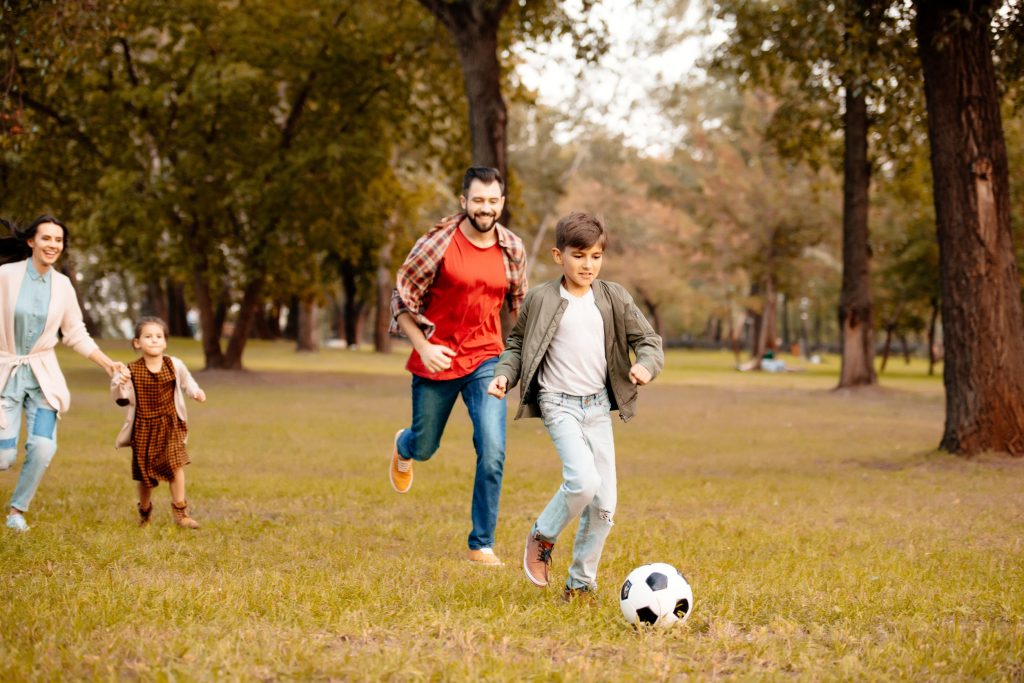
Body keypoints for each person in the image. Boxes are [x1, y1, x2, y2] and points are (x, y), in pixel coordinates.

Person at [487, 212, 664, 600]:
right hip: (557, 402)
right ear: (558, 255)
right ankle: (542, 535)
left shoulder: (614, 297)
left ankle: (580, 585)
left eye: (596, 256)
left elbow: (649, 340)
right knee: (583, 482)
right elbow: (516, 345)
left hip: (597, 407)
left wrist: (645, 366)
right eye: (579, 255)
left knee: (604, 506)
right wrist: (505, 375)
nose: (588, 265)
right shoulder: (541, 299)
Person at [388, 166, 527, 566]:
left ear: (502, 203)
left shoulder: (512, 249)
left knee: (493, 449)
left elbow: (519, 308)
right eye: (478, 200)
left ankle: (481, 543)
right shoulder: (436, 244)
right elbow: (400, 302)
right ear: (464, 201)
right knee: (426, 446)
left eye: (493, 200)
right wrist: (424, 346)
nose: (486, 208)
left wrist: (517, 360)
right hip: (437, 356)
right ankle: (405, 445)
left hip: (486, 358)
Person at [0, 216, 130, 532]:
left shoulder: (62, 286)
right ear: (31, 241)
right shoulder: (5, 276)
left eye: (58, 240)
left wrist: (107, 363)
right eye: (46, 238)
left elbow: (75, 332)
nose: (53, 245)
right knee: (3, 457)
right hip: (5, 372)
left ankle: (17, 510)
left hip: (43, 377)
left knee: (44, 446)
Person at [112, 317, 206, 528]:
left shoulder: (174, 364)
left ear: (165, 342)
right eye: (148, 336)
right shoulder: (131, 370)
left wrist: (195, 392)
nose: (154, 340)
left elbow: (186, 380)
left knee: (176, 466)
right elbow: (120, 397)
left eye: (158, 336)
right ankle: (145, 511)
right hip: (143, 428)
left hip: (170, 424)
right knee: (145, 476)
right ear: (137, 343)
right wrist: (120, 381)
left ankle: (181, 513)